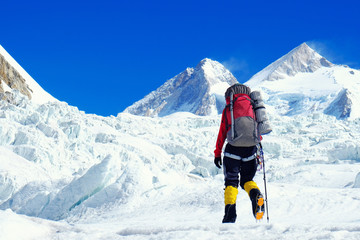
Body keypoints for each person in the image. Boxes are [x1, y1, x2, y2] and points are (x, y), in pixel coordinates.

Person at [214, 83, 265, 223]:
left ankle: (230, 215)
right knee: (247, 180)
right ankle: (256, 195)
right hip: (251, 150)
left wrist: (217, 153)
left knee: (231, 182)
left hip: (233, 151)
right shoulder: (253, 106)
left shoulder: (229, 108)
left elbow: (222, 132)